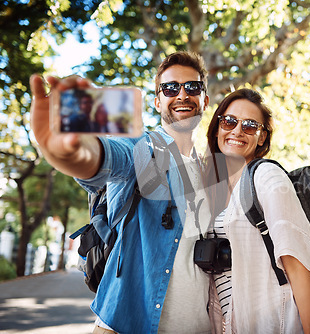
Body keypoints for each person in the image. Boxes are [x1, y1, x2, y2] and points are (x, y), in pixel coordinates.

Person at [29, 51, 213, 333]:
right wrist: (72, 152)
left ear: (205, 99)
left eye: (193, 87)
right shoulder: (146, 147)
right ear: (157, 100)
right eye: (170, 87)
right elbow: (108, 157)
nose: (182, 95)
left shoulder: (211, 173)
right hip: (124, 325)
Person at [204, 88, 310, 333]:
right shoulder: (212, 190)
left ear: (261, 137)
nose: (237, 130)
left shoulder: (267, 176)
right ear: (217, 128)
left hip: (282, 321)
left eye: (249, 125)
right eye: (228, 121)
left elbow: (297, 263)